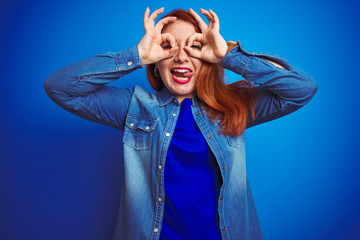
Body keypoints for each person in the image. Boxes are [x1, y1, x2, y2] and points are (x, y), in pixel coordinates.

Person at [44, 7, 317, 240]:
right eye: (167, 46)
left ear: (208, 58)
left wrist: (228, 55)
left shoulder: (234, 107)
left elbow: (302, 88)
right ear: (155, 63)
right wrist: (136, 55)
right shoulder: (135, 108)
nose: (181, 56)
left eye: (195, 46)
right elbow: (60, 86)